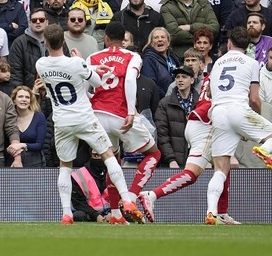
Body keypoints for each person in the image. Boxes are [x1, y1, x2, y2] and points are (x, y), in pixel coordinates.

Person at [35, 24, 143, 225]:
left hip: (62, 121)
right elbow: (97, 83)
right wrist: (87, 66)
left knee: (65, 167)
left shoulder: (40, 64)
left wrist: (87, 66)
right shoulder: (76, 63)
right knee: (109, 155)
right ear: (64, 41)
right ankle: (127, 201)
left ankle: (67, 213)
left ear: (46, 43)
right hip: (84, 118)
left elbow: (62, 68)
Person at [138, 48, 239, 225]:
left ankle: (222, 212)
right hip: (206, 124)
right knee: (197, 172)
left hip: (199, 122)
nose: (180, 80)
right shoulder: (229, 76)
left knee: (223, 164)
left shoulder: (212, 76)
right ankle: (212, 212)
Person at [204, 27, 272, 224]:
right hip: (239, 109)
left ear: (229, 44)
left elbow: (210, 93)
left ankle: (211, 212)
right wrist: (252, 123)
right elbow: (255, 98)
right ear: (248, 46)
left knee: (220, 168)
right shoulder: (252, 62)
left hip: (218, 112)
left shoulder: (216, 63)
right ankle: (264, 150)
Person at [87, 21, 162, 224]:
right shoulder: (132, 56)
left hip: (97, 115)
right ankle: (132, 196)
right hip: (120, 114)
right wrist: (130, 111)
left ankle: (116, 214)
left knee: (113, 159)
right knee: (154, 153)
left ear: (106, 38)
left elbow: (85, 86)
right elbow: (129, 81)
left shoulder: (93, 57)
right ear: (124, 40)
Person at [155, 65, 196, 169]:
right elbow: (162, 135)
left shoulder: (200, 103)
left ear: (192, 80)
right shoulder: (165, 103)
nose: (180, 80)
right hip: (173, 163)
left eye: (184, 77)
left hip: (196, 160)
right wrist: (171, 160)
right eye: (177, 77)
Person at [10, 86, 46, 168]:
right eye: (20, 96)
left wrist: (22, 145)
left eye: (27, 97)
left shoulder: (39, 117)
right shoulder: (9, 117)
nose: (24, 99)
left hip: (35, 162)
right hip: (12, 160)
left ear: (30, 101)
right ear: (14, 100)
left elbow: (40, 145)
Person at [141, 27, 180, 98]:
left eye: (163, 37)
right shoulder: (148, 60)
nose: (160, 39)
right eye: (156, 37)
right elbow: (151, 85)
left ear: (168, 42)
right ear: (151, 43)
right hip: (161, 102)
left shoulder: (173, 57)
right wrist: (167, 98)